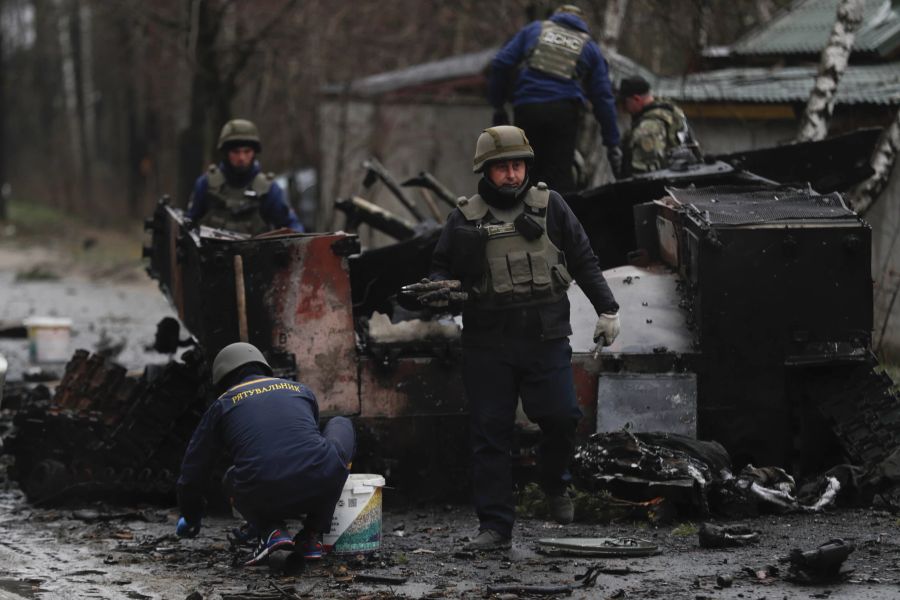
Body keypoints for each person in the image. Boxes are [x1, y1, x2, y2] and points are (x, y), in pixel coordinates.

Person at [404, 126, 620, 551]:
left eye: (517, 165)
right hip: (488, 342)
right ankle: (496, 527)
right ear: (486, 170)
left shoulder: (551, 206)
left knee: (561, 417)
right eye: (502, 167)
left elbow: (582, 257)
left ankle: (555, 483)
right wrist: (438, 288)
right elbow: (440, 269)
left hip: (546, 334)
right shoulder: (464, 218)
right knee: (490, 433)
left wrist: (608, 309)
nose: (511, 174)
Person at [174, 342, 355, 566]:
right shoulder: (301, 390)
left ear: (223, 379)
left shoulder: (222, 405)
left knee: (232, 477)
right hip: (320, 484)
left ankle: (272, 531)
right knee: (339, 426)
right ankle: (311, 535)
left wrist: (191, 516)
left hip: (264, 491)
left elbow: (193, 472)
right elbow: (303, 448)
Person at [488, 4, 622, 192]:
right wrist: (612, 143)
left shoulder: (534, 30)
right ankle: (557, 218)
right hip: (563, 113)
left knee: (525, 172)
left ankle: (522, 218)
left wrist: (498, 106)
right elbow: (603, 98)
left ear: (556, 17)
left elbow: (500, 63)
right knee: (558, 179)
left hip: (528, 109)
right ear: (581, 22)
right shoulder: (589, 46)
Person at [186, 119, 303, 235]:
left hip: (256, 253)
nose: (241, 157)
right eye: (236, 152)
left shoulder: (268, 189)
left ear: (254, 152)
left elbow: (291, 226)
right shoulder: (207, 184)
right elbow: (189, 224)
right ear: (226, 152)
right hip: (210, 252)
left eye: (247, 151)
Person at [618, 75, 699, 177]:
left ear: (636, 99)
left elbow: (643, 177)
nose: (624, 109)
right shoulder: (672, 111)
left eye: (625, 103)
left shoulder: (647, 129)